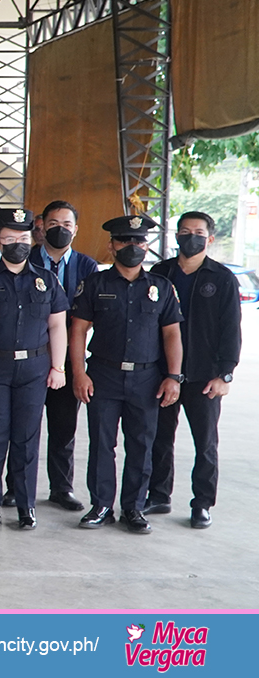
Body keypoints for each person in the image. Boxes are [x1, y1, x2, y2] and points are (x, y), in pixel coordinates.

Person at [70, 215, 183, 534]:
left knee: (141, 444)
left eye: (138, 241)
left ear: (146, 246)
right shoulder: (95, 284)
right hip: (103, 375)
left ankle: (133, 507)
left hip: (147, 380)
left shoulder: (161, 287)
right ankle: (102, 505)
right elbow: (78, 331)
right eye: (125, 241)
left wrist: (173, 376)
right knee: (102, 443)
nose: (132, 247)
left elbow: (172, 334)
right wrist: (79, 372)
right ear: (112, 245)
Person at [0, 208, 69, 530]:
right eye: (10, 239)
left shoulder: (46, 279)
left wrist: (58, 367)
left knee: (27, 438)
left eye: (23, 238)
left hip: (35, 368)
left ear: (32, 240)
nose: (17, 244)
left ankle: (26, 505)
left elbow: (57, 326)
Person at [145, 211, 241, 529]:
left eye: (198, 232)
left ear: (210, 238)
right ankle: (158, 494)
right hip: (162, 373)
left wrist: (225, 373)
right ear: (176, 236)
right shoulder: (160, 273)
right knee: (159, 438)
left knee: (206, 443)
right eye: (184, 231)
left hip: (204, 377)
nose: (191, 236)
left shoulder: (222, 278)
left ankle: (202, 503)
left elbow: (231, 329)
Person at [4, 200, 99, 511]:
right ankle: (16, 487)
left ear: (76, 229)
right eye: (54, 223)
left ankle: (61, 487)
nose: (60, 229)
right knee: (20, 427)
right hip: (26, 355)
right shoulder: (24, 257)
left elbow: (86, 315)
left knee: (63, 426)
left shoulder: (86, 266)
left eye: (67, 224)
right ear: (41, 226)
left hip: (67, 358)